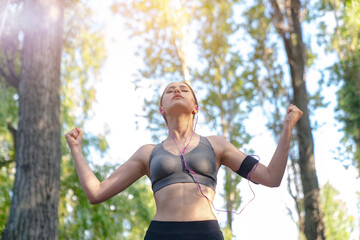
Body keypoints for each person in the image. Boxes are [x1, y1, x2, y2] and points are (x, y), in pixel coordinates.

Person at [65, 81, 303, 240]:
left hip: (205, 232)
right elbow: (96, 193)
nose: (176, 90)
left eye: (183, 89)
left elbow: (271, 177)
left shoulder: (216, 144)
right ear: (162, 110)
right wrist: (76, 150)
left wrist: (287, 128)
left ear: (195, 108)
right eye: (170, 91)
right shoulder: (147, 153)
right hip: (161, 233)